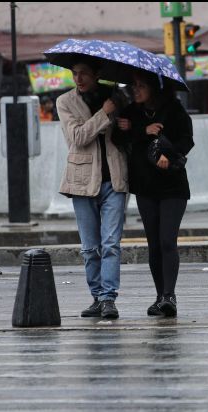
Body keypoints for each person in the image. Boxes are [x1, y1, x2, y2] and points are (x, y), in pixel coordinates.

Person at [114, 71, 194, 317]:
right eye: (134, 85)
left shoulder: (174, 110)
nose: (135, 90)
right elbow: (118, 138)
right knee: (154, 245)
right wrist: (142, 129)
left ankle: (170, 295)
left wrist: (166, 155)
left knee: (167, 241)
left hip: (172, 186)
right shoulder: (131, 112)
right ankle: (160, 296)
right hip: (145, 186)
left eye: (141, 86)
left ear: (155, 88)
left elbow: (186, 141)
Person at [57, 55, 129, 320]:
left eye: (84, 73)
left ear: (97, 74)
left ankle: (109, 298)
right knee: (90, 246)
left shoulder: (117, 96)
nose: (79, 79)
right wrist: (104, 114)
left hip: (115, 179)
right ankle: (97, 297)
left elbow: (125, 138)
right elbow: (77, 138)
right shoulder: (65, 102)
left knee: (111, 243)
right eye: (75, 73)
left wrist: (124, 125)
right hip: (82, 180)